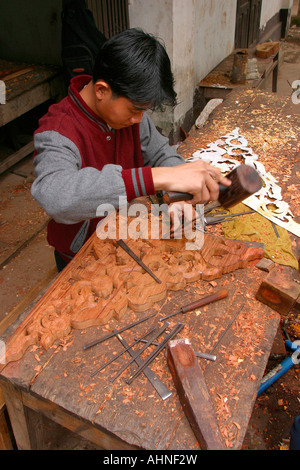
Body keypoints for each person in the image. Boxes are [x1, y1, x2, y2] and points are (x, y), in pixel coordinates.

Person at [31, 28, 230, 271]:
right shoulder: (57, 131)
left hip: (130, 239)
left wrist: (179, 195)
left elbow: (161, 154)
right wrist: (158, 178)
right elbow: (56, 197)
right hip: (82, 257)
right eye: (135, 109)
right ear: (102, 90)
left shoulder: (131, 117)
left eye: (143, 110)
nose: (139, 119)